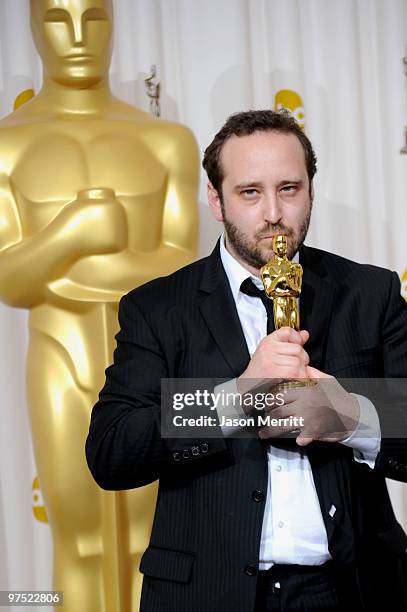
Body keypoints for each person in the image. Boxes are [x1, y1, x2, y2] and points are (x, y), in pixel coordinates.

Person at [86, 110, 407, 612]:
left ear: (311, 190)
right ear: (216, 200)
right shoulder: (156, 308)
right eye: (250, 192)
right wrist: (236, 397)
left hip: (355, 590)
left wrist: (350, 418)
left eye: (289, 188)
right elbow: (111, 451)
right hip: (209, 594)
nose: (273, 213)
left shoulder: (370, 292)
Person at [0, 1, 198, 610]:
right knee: (79, 540)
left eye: (95, 17)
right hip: (59, 356)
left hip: (156, 364)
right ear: (32, 26)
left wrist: (62, 268)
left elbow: (183, 266)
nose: (78, 37)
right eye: (57, 18)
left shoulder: (165, 141)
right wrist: (73, 234)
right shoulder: (8, 146)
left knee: (153, 538)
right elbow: (10, 278)